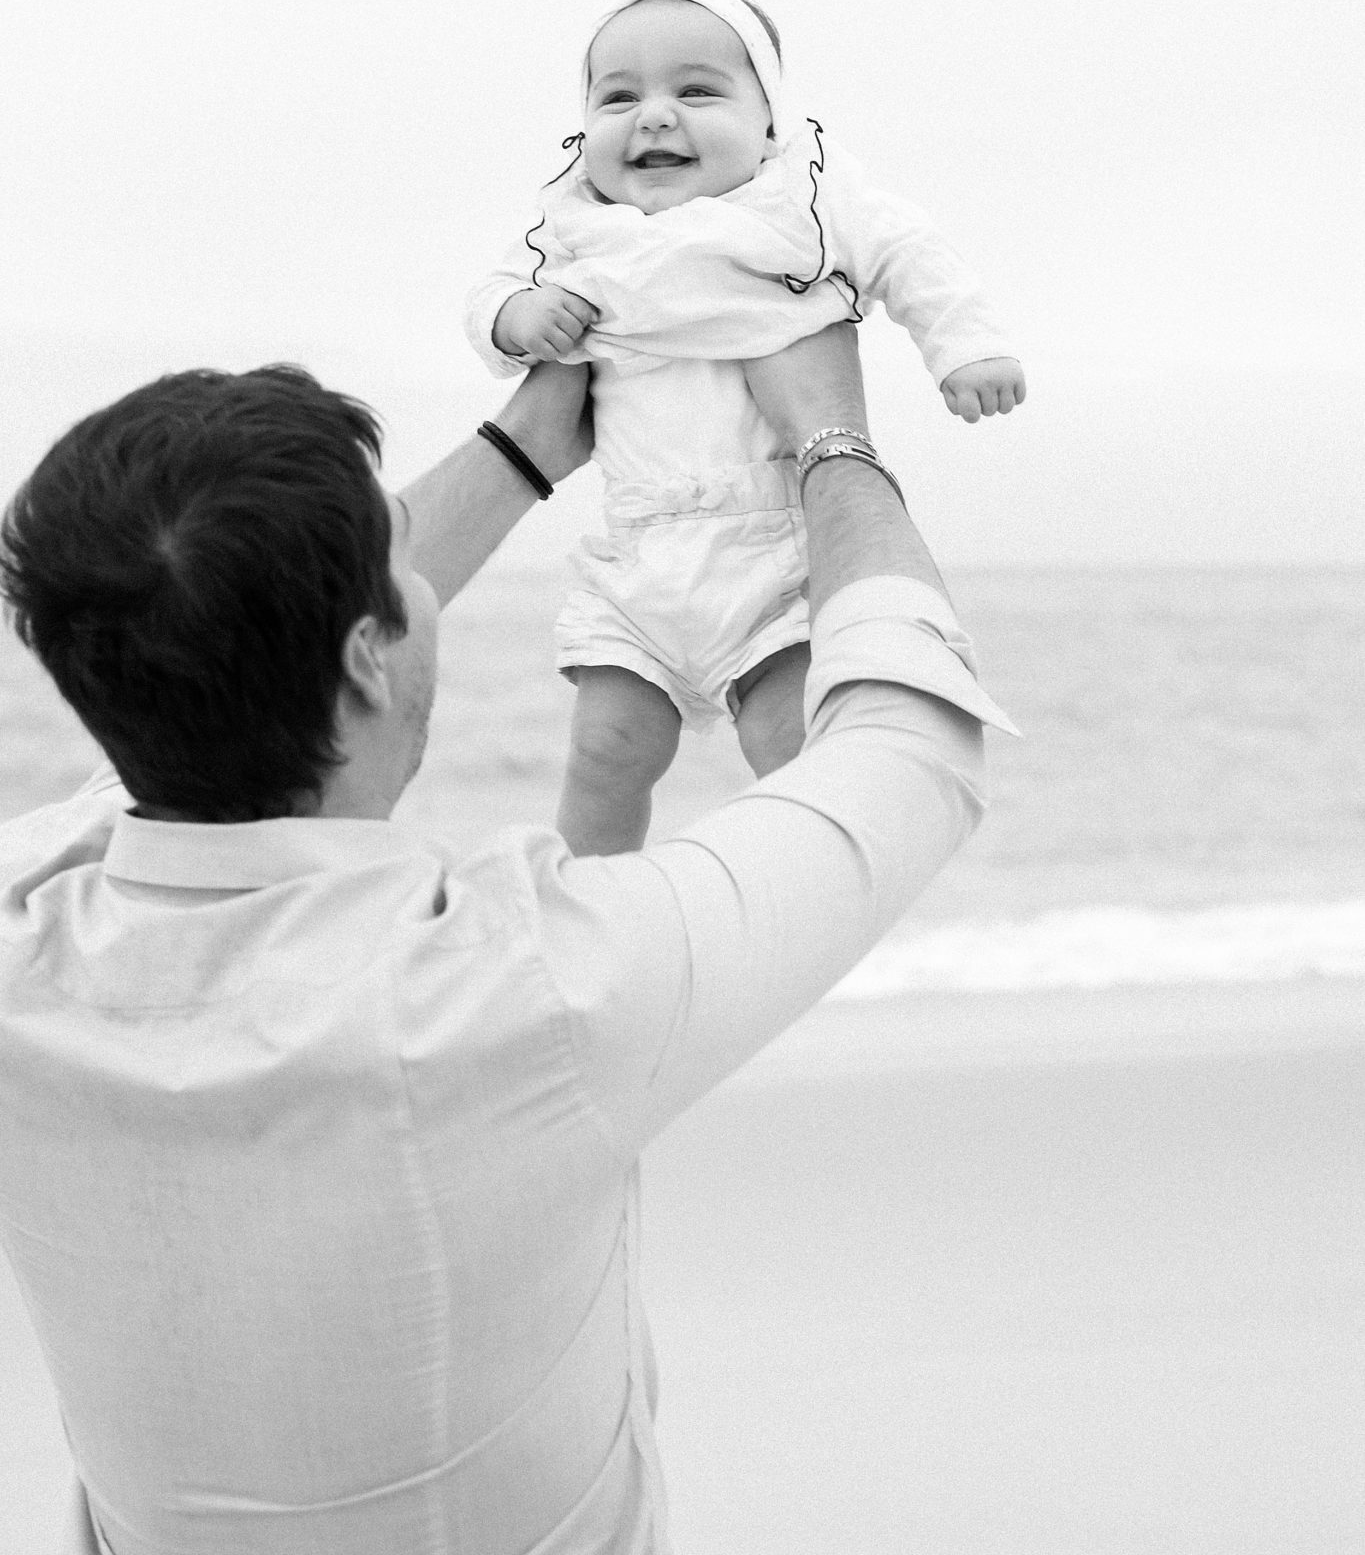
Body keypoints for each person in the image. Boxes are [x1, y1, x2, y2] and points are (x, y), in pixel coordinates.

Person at [0, 324, 1013, 1555]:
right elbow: (913, 749)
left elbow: (198, 642)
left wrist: (526, 448)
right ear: (370, 658)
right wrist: (829, 439)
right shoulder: (531, 990)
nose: (425, 580)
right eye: (402, 571)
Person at [466, 0, 1026, 852]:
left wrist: (965, 347)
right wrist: (518, 317)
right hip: (639, 547)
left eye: (697, 91)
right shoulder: (573, 226)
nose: (653, 115)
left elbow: (907, 251)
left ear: (767, 120)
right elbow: (490, 297)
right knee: (607, 748)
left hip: (775, 546)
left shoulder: (799, 198)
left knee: (788, 743)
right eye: (617, 99)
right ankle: (587, 901)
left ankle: (806, 887)